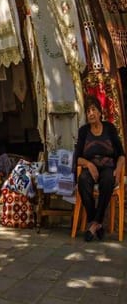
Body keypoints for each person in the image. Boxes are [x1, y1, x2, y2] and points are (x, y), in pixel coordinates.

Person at [75, 96, 125, 241]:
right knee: (83, 180)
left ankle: (93, 224)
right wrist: (89, 165)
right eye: (88, 111)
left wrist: (119, 169)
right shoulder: (84, 131)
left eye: (93, 110)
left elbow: (121, 155)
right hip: (90, 168)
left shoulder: (109, 128)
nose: (90, 113)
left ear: (99, 112)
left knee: (108, 180)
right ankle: (97, 223)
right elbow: (77, 158)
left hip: (108, 167)